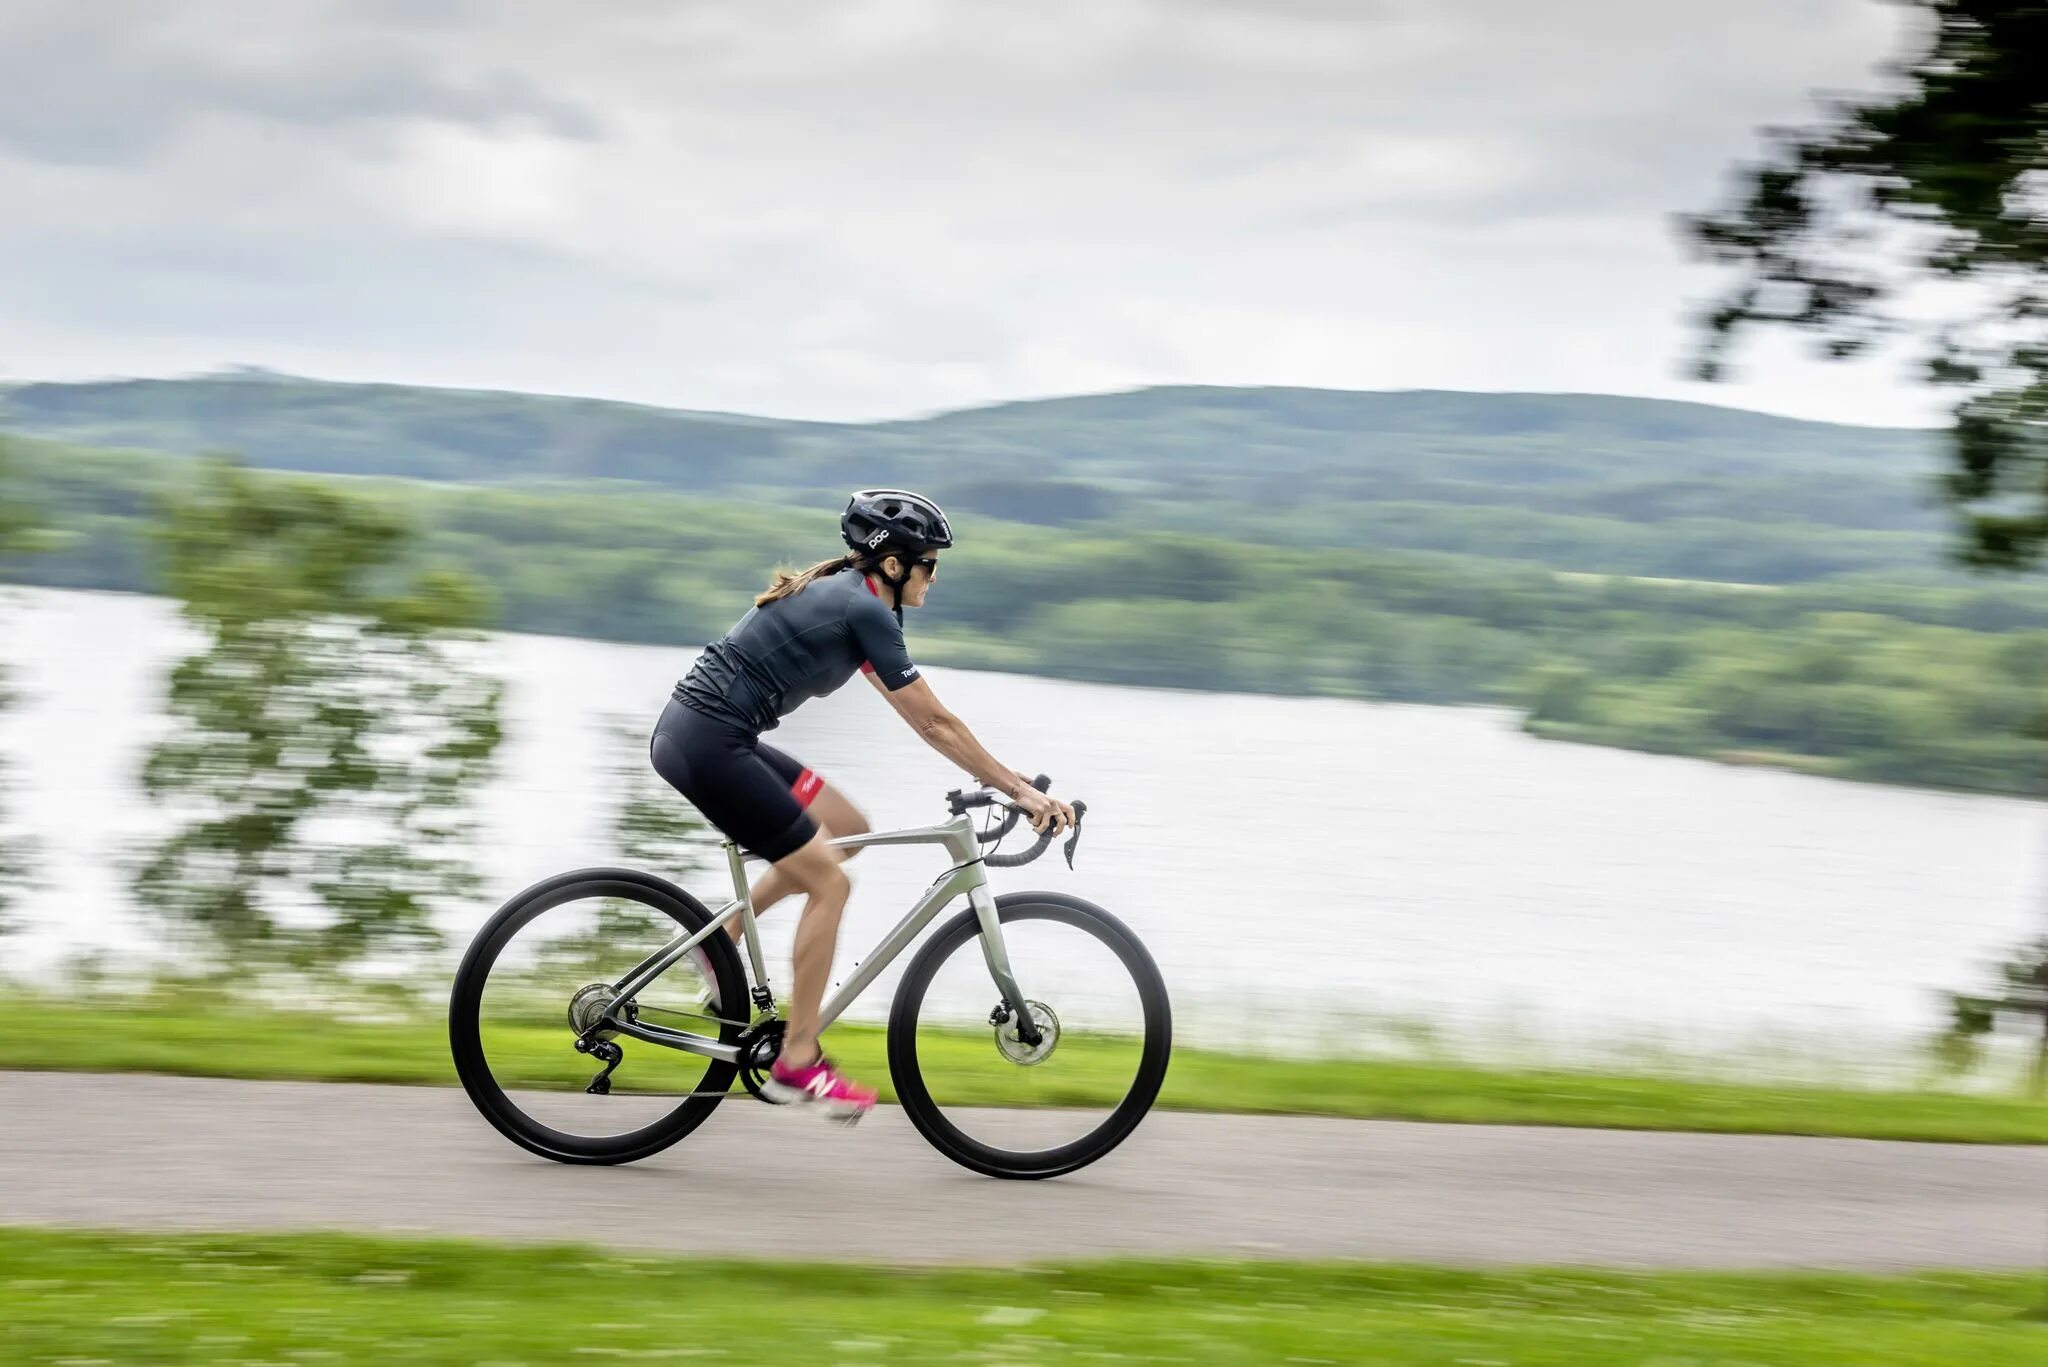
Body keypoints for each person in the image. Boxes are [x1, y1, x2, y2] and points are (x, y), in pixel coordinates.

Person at [649, 489, 1075, 1121]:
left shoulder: (866, 605)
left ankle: (722, 940)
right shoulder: (862, 608)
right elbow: (935, 724)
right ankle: (796, 1061)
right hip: (709, 745)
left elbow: (924, 720)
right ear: (896, 565)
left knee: (845, 830)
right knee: (830, 884)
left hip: (710, 737)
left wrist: (1010, 778)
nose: (937, 576)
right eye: (931, 563)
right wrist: (1019, 791)